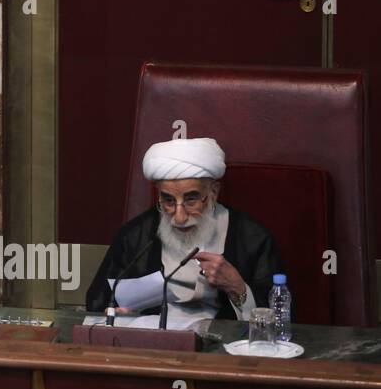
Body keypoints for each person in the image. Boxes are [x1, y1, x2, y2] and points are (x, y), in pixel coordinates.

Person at [86, 137, 284, 322]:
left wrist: (238, 288)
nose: (179, 217)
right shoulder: (136, 236)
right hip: (153, 347)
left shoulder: (252, 238)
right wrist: (118, 314)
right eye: (168, 201)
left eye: (191, 199)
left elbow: (278, 320)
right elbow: (98, 302)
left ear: (213, 192)